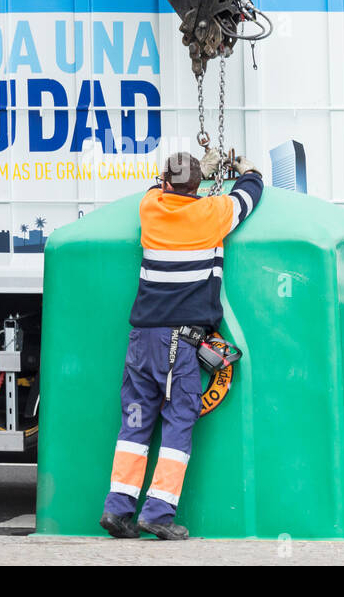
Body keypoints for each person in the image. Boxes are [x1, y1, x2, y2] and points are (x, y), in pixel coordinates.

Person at [100, 149, 263, 540]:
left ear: (167, 184)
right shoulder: (214, 213)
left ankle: (118, 510)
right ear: (198, 186)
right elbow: (250, 194)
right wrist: (247, 170)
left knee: (135, 422)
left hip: (142, 339)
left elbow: (157, 187)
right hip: (179, 342)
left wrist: (196, 171)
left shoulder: (150, 207)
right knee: (178, 422)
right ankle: (157, 513)